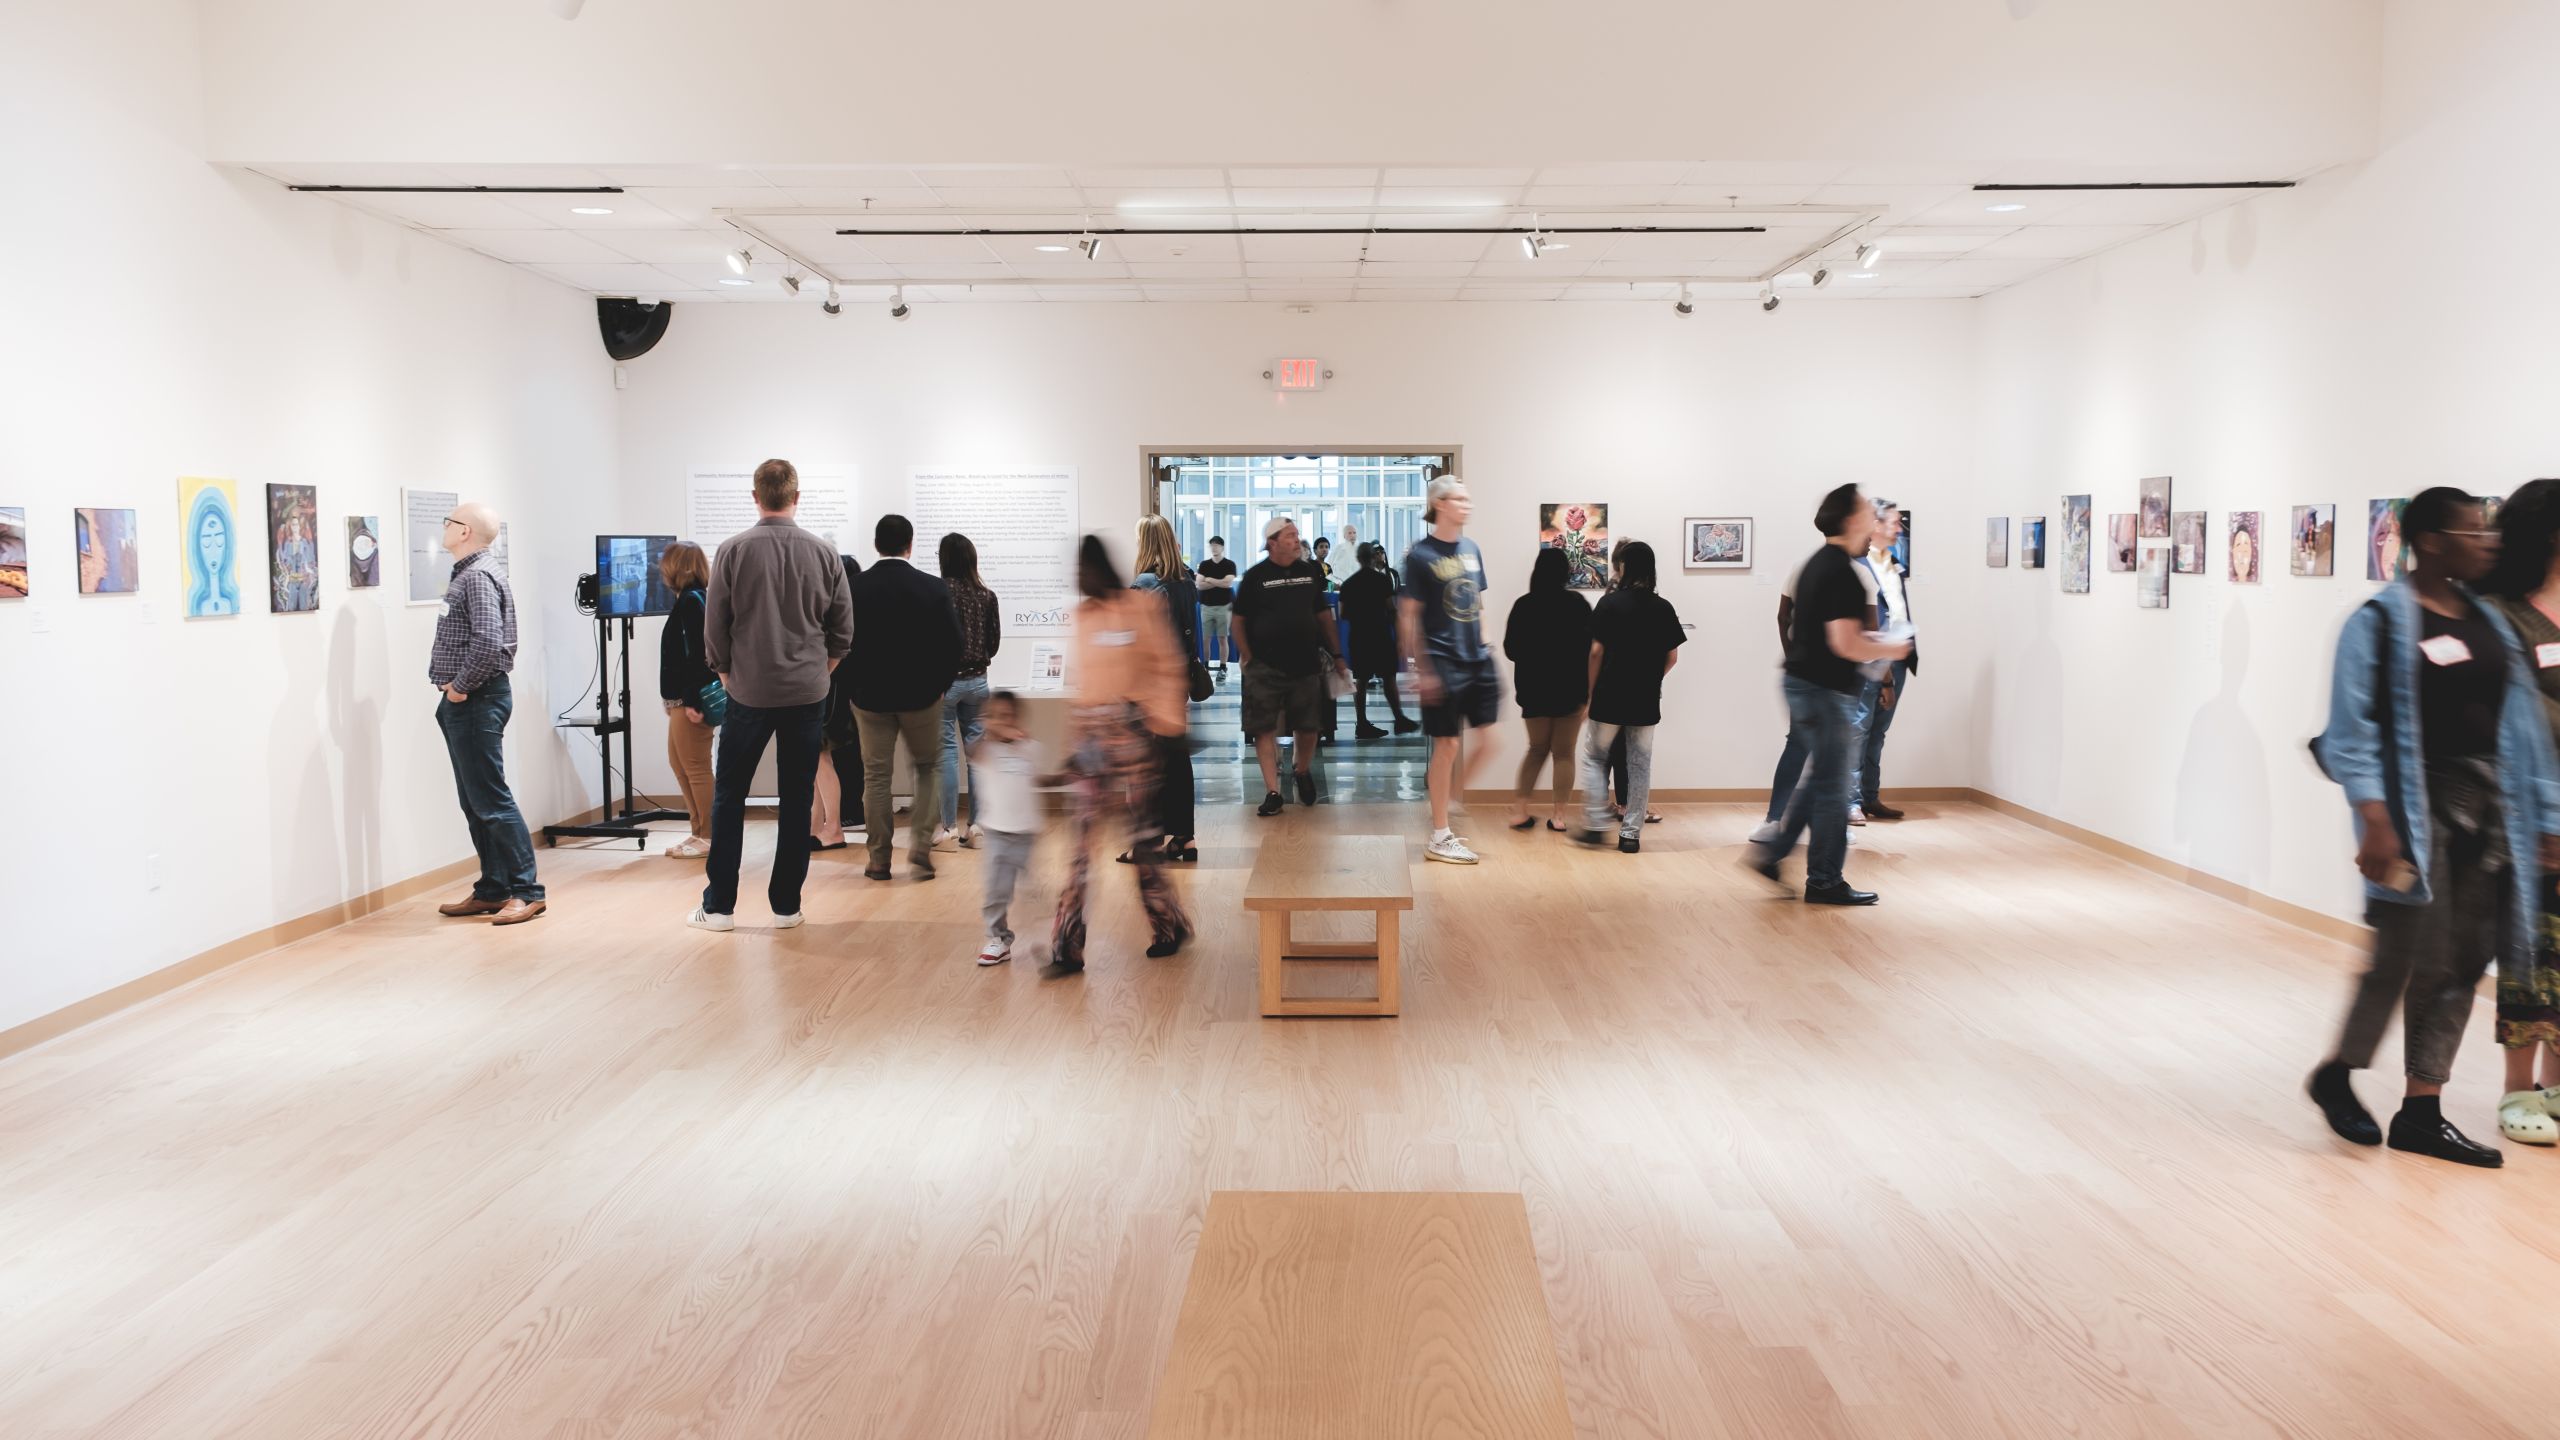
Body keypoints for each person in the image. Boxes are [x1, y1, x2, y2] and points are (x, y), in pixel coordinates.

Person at [2304, 487, 2560, 1167]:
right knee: (2401, 955)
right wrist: (2374, 820)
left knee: (2464, 961)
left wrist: (2545, 813)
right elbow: (2352, 733)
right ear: (2431, 540)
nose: (2489, 542)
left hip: (2491, 808)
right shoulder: (2379, 623)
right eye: (2474, 531)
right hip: (2414, 810)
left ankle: (2422, 1109)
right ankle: (2340, 1072)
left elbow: (2522, 730)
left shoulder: (2488, 621)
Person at [691, 460, 854, 931]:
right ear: (796, 497)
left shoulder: (732, 550)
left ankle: (719, 905)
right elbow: (843, 630)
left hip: (748, 691)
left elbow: (715, 624)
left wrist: (724, 672)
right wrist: (821, 670)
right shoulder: (824, 553)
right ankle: (786, 906)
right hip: (806, 692)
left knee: (729, 795)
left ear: (755, 496)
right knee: (797, 795)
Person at [1745, 484, 1909, 905]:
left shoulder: (1817, 564)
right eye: (1867, 511)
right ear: (1851, 520)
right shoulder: (1844, 572)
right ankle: (1823, 881)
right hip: (1824, 689)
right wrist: (1892, 649)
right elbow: (1846, 643)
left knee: (1820, 780)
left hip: (1803, 682)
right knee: (1834, 789)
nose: (1875, 518)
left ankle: (1774, 852)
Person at [1052, 535, 1193, 974]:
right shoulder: (1080, 617)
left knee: (1145, 845)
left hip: (1136, 739)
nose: (1078, 579)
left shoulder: (1141, 607)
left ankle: (1169, 925)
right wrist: (1075, 747)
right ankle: (1066, 947)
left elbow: (1167, 667)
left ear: (1101, 570)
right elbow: (1083, 688)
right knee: (1079, 850)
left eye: (1084, 570)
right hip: (1092, 746)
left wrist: (1167, 729)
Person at [2484, 477, 2560, 1143]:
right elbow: (2515, 720)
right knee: (2531, 952)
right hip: (2533, 813)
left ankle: (2557, 1086)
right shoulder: (2506, 614)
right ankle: (2517, 1089)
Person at [429, 500, 545, 926]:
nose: (444, 527)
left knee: (491, 800)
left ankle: (527, 891)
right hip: (469, 701)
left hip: (476, 699)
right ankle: (494, 887)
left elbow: (488, 642)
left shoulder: (477, 576)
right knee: (475, 800)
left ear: (465, 532)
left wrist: (459, 689)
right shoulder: (471, 573)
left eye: (450, 521)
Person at [847, 513, 964, 883]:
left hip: (869, 697)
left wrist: (852, 684)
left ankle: (879, 858)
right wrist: (941, 682)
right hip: (922, 696)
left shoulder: (854, 587)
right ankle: (920, 853)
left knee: (876, 776)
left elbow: (838, 641)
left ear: (876, 545)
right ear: (910, 545)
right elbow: (954, 644)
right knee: (927, 768)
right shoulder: (932, 587)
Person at [1752, 534, 1880, 843]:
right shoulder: (1860, 574)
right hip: (1839, 679)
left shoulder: (1802, 567)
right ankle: (1830, 829)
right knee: (1832, 759)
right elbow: (1870, 632)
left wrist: (1792, 654)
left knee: (1800, 748)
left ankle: (1774, 823)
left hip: (1804, 672)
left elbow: (1783, 616)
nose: (1871, 538)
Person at [1400, 477, 1500, 865]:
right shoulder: (1420, 555)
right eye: (1459, 499)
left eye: (1468, 498)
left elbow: (1478, 601)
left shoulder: (1472, 548)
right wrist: (1417, 667)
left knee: (1490, 741)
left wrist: (1487, 642)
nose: (1467, 505)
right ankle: (1440, 834)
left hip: (1476, 656)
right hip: (1441, 659)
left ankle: (1448, 799)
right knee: (1448, 745)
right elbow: (1408, 615)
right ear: (1439, 504)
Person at [1574, 541, 1682, 853]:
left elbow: (1595, 652)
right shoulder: (1663, 608)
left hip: (1609, 694)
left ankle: (1595, 823)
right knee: (1640, 764)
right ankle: (1630, 834)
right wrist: (1650, 679)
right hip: (1645, 699)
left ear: (1623, 568)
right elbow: (1672, 657)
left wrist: (1590, 693)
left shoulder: (1609, 605)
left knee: (1595, 757)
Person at [1233, 516, 1340, 817]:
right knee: (1263, 728)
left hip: (1305, 664)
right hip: (1264, 667)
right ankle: (1273, 791)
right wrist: (1247, 657)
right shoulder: (1254, 577)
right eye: (1291, 535)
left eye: (1297, 535)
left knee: (1308, 727)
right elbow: (1238, 621)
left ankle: (1301, 769)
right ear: (1272, 543)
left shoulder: (1309, 573)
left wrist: (1338, 655)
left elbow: (1322, 615)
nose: (1297, 540)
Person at [1502, 545, 1591, 832]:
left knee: (1536, 749)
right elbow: (1591, 648)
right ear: (1566, 572)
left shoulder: (1523, 605)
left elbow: (1511, 650)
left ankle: (1519, 811)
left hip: (1533, 690)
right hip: (1571, 689)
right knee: (1564, 753)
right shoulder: (1578, 604)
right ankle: (1559, 816)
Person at [1129, 515, 1200, 863]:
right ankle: (1184, 839)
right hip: (1178, 683)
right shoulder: (1186, 582)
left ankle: (1149, 841)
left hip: (1148, 686)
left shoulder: (1142, 584)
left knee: (1147, 765)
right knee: (1177, 759)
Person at [971, 691, 1047, 967]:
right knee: (996, 891)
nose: (1003, 722)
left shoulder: (1030, 748)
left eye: (1009, 716)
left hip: (1026, 832)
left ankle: (1046, 934)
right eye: (996, 717)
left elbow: (1038, 778)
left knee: (1032, 891)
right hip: (996, 834)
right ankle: (998, 938)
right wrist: (989, 733)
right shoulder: (984, 752)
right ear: (985, 721)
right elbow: (974, 752)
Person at [1853, 499, 1916, 823]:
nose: (1900, 528)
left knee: (1878, 730)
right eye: (1894, 521)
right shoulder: (1861, 565)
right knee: (1859, 727)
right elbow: (1871, 620)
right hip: (1872, 657)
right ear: (1875, 525)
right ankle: (1850, 800)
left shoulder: (1892, 561)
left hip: (1898, 656)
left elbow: (1896, 610)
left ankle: (1869, 797)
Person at [936, 532, 1001, 848]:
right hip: (979, 682)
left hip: (946, 683)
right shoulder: (986, 595)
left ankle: (947, 827)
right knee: (976, 756)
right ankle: (976, 826)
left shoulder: (940, 593)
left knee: (947, 753)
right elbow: (994, 643)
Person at [655, 539, 718, 859]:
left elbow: (699, 655)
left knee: (695, 766)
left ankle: (709, 835)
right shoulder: (690, 600)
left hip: (689, 701)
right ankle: (697, 831)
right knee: (680, 764)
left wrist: (692, 701)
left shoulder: (693, 600)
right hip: (679, 700)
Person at [1339, 542, 1416, 739]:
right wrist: (1399, 638)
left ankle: (1362, 723)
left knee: (1361, 681)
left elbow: (1343, 613)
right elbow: (1391, 609)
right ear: (1373, 558)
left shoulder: (1348, 584)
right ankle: (1399, 718)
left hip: (1359, 637)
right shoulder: (1381, 581)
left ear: (1357, 559)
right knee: (1389, 678)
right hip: (1380, 635)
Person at [1197, 535, 1238, 676]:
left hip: (1224, 606)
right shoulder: (1204, 564)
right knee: (1205, 638)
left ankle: (1223, 666)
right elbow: (1199, 585)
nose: (1214, 548)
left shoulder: (1229, 564)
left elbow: (1228, 583)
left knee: (1222, 637)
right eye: (1212, 545)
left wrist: (1209, 579)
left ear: (1222, 547)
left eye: (1216, 545)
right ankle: (1206, 665)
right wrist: (1218, 582)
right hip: (1207, 606)